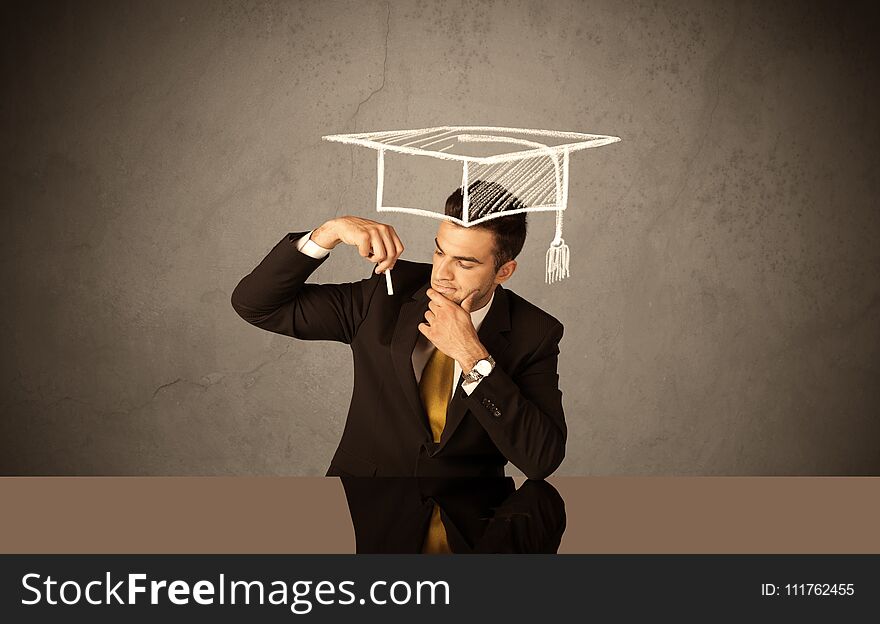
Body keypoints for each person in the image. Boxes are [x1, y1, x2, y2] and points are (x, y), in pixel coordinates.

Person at [231, 181, 566, 479]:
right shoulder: (387, 291)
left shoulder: (536, 332)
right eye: (439, 251)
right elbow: (256, 306)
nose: (442, 274)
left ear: (504, 271)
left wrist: (472, 356)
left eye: (464, 263)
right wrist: (327, 233)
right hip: (364, 509)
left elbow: (541, 461)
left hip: (470, 525)